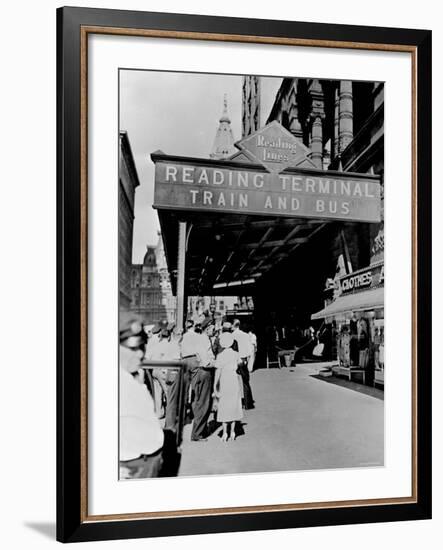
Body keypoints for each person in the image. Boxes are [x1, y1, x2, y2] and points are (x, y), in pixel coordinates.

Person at [119, 312, 164, 479]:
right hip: (129, 468)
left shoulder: (134, 375)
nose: (140, 354)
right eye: (132, 348)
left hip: (148, 463)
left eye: (142, 346)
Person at [188, 317, 216, 441]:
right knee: (203, 403)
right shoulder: (203, 340)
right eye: (212, 328)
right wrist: (216, 363)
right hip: (204, 372)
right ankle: (197, 434)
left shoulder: (202, 338)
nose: (214, 331)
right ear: (208, 328)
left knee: (203, 402)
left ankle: (202, 430)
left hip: (202, 372)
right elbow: (206, 361)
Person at [214, 332, 243, 442]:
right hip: (233, 379)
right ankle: (233, 431)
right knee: (233, 404)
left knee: (224, 405)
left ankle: (225, 432)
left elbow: (218, 371)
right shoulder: (236, 354)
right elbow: (240, 363)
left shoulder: (220, 356)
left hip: (224, 380)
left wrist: (215, 386)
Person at [232, 319, 255, 409]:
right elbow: (250, 350)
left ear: (234, 326)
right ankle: (248, 403)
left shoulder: (231, 336)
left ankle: (235, 403)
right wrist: (247, 359)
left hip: (234, 360)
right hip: (243, 360)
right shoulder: (245, 335)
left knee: (234, 382)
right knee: (245, 382)